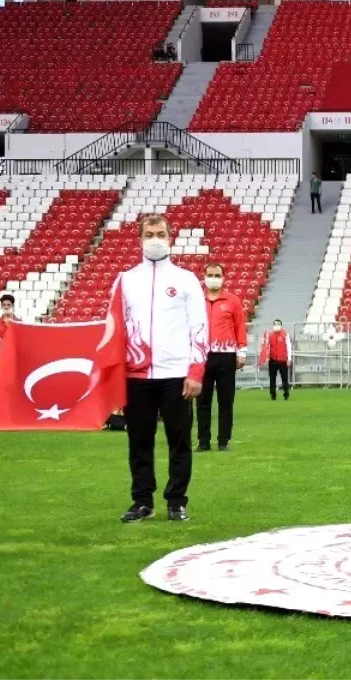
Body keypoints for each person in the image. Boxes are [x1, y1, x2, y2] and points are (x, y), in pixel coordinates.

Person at [115, 214, 208, 523]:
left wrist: (195, 372)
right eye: (149, 234)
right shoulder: (125, 280)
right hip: (136, 373)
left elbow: (199, 326)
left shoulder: (186, 279)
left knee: (179, 439)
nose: (154, 239)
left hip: (176, 374)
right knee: (139, 440)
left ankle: (176, 500)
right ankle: (142, 501)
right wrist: (115, 376)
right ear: (140, 239)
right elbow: (114, 330)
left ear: (171, 237)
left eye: (160, 233)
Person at [197, 263, 247, 452]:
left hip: (226, 355)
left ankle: (223, 440)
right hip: (202, 355)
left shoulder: (233, 300)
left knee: (226, 400)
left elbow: (240, 326)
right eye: (210, 274)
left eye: (217, 275)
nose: (213, 278)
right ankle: (203, 441)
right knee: (202, 400)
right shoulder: (196, 299)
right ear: (204, 276)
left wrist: (241, 352)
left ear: (223, 277)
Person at [265, 319, 292, 401]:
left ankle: (286, 393)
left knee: (285, 379)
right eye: (275, 324)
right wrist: (267, 357)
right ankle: (273, 394)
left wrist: (289, 359)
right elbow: (267, 347)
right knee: (272, 378)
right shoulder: (270, 335)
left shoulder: (285, 334)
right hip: (273, 360)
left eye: (278, 324)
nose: (276, 325)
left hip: (283, 360)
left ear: (281, 325)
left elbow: (288, 347)